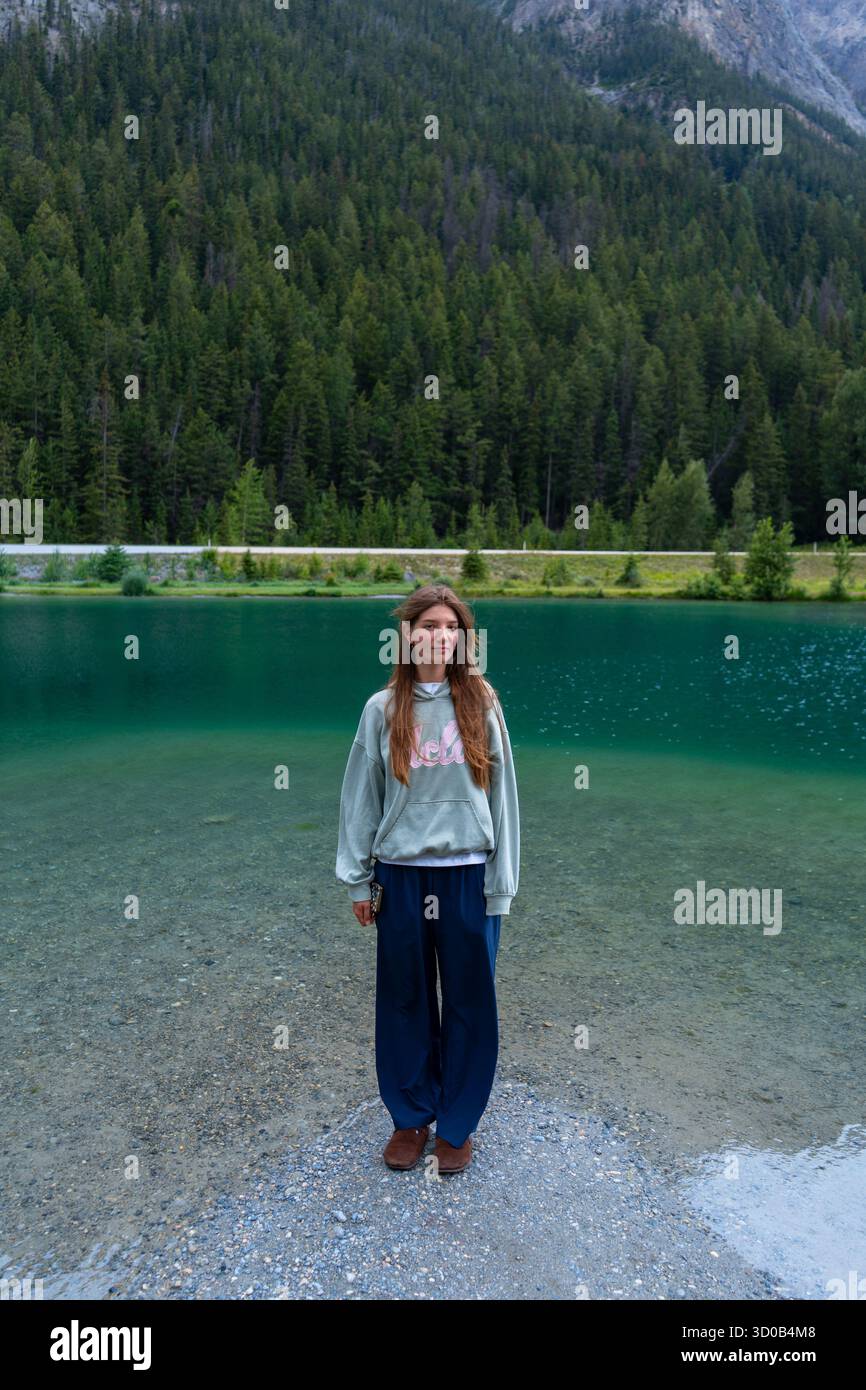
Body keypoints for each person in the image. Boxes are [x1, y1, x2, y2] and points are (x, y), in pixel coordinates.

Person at [335, 583, 520, 1174]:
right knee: (404, 1002)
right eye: (427, 625)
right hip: (402, 876)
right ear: (407, 635)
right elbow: (359, 800)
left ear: (462, 638)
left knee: (470, 1003)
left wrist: (501, 884)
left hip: (466, 874)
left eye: (450, 627)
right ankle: (411, 1118)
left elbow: (503, 796)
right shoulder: (381, 709)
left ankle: (458, 1125)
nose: (438, 636)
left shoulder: (481, 702)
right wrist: (359, 881)